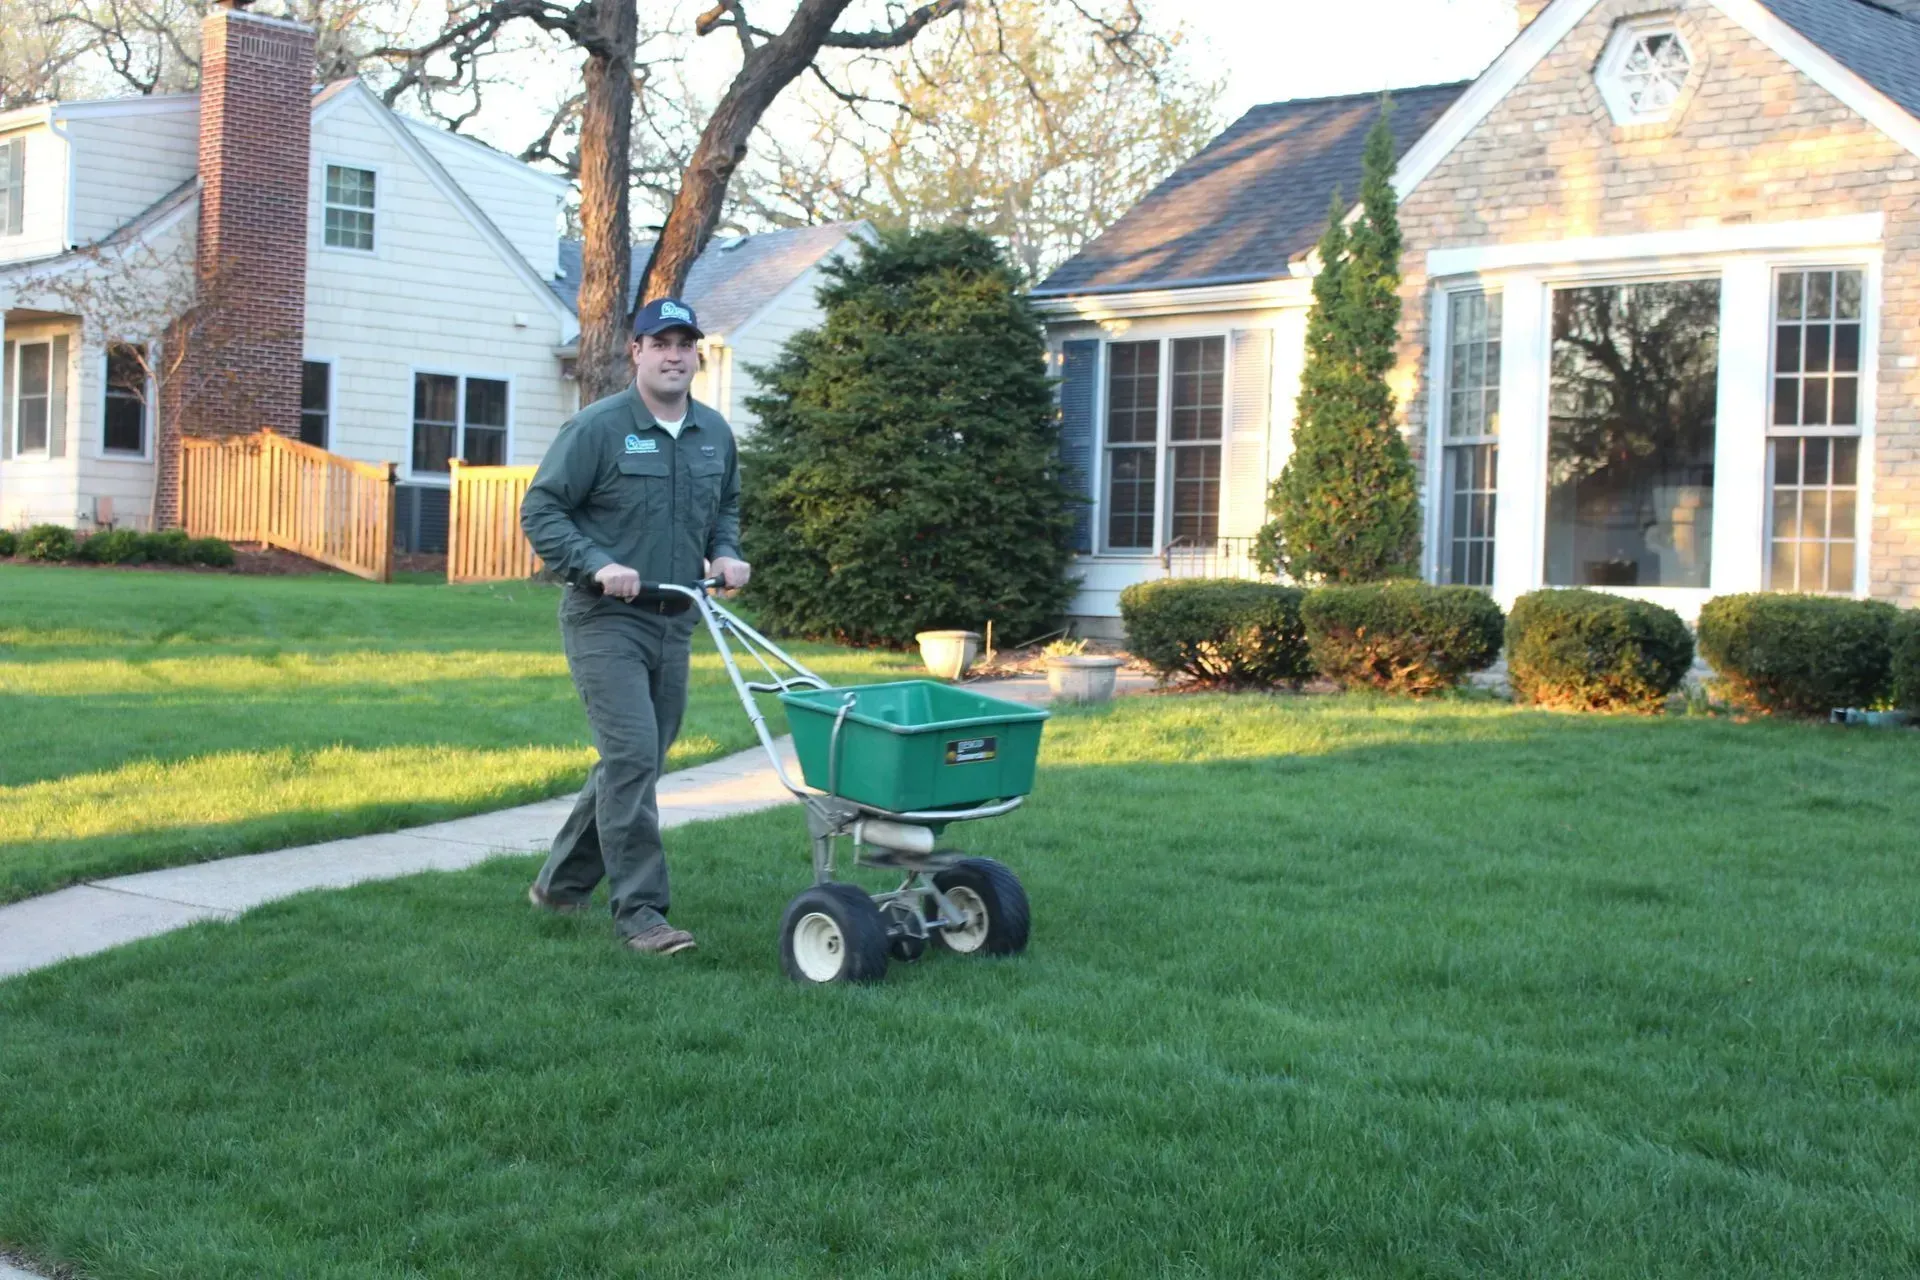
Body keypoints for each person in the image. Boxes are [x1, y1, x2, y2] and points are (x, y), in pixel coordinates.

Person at [519, 298, 751, 955]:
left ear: (696, 353)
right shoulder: (598, 428)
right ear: (637, 352)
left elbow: (724, 506)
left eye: (686, 343)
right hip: (605, 620)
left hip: (675, 620)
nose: (675, 355)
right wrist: (596, 565)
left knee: (638, 762)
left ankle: (561, 885)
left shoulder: (713, 433)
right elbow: (543, 509)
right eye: (661, 343)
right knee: (629, 758)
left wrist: (726, 553)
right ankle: (643, 914)